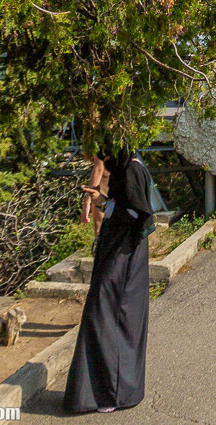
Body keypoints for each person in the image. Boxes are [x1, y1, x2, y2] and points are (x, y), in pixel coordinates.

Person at [63, 147, 154, 414]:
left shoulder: (132, 170)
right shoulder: (127, 168)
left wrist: (105, 203)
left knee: (105, 315)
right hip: (119, 253)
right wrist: (101, 200)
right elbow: (125, 207)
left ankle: (111, 394)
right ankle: (107, 392)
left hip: (124, 257)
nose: (102, 165)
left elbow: (138, 215)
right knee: (105, 316)